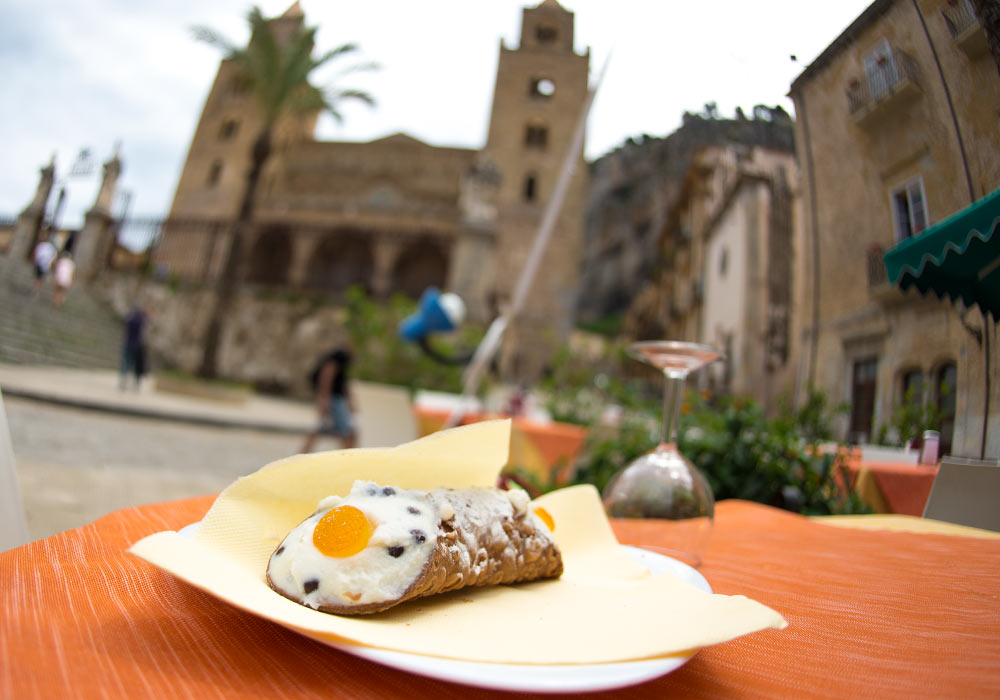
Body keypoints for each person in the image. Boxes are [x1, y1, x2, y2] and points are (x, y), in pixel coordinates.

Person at [300, 348, 358, 453]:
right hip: (334, 400)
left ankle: (302, 453)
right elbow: (326, 378)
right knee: (346, 431)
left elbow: (343, 384)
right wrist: (324, 400)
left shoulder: (341, 361)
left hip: (335, 400)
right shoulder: (337, 359)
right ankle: (346, 456)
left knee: (322, 429)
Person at [120, 304, 148, 390]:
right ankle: (135, 384)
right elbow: (145, 323)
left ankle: (123, 382)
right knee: (135, 365)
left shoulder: (130, 319)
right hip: (136, 345)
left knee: (126, 363)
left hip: (127, 344)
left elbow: (126, 323)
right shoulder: (140, 320)